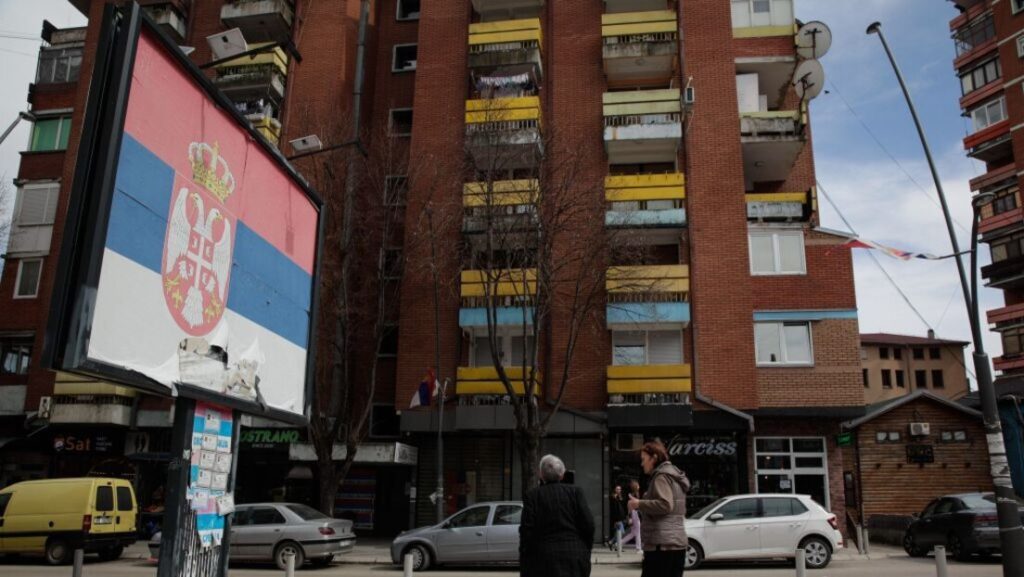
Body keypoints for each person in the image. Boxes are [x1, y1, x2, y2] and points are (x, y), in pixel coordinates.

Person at [520, 454, 595, 577]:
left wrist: (526, 561)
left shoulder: (533, 496)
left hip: (543, 559)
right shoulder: (576, 492)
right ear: (562, 474)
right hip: (575, 557)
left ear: (541, 474)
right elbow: (589, 525)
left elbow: (526, 532)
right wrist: (585, 549)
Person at [627, 441, 690, 577]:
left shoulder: (661, 477)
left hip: (661, 546)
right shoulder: (673, 476)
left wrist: (639, 504)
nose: (642, 464)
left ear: (654, 458)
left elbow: (666, 505)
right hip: (675, 542)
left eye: (644, 459)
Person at [619, 480, 642, 552]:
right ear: (635, 487)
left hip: (634, 513)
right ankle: (638, 548)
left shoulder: (633, 495)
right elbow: (630, 506)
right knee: (637, 532)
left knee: (633, 533)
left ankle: (619, 543)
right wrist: (630, 517)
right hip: (634, 513)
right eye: (638, 485)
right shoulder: (632, 496)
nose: (639, 486)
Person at [607, 484, 627, 549]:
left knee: (617, 532)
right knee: (622, 532)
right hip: (617, 518)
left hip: (621, 517)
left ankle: (614, 544)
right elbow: (614, 509)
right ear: (615, 490)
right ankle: (612, 543)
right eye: (617, 489)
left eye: (620, 489)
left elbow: (622, 507)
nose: (619, 490)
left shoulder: (620, 497)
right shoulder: (613, 497)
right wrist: (615, 520)